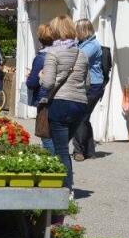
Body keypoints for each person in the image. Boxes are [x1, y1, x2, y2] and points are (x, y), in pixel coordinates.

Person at [39, 16, 88, 190]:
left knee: (60, 149)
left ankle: (66, 188)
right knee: (62, 145)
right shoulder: (81, 53)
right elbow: (87, 82)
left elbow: (48, 83)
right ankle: (59, 183)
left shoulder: (53, 52)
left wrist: (40, 77)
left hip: (60, 103)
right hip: (80, 104)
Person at [69, 18, 104, 162]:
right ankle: (89, 150)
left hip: (93, 85)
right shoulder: (81, 43)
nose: (75, 33)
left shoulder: (92, 45)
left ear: (83, 30)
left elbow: (78, 58)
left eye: (77, 30)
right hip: (87, 85)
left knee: (80, 117)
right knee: (85, 117)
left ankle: (79, 151)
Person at [24, 23, 55, 154]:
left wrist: (29, 77)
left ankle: (52, 163)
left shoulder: (41, 57)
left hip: (44, 98)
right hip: (58, 96)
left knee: (45, 134)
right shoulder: (59, 54)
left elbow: (32, 83)